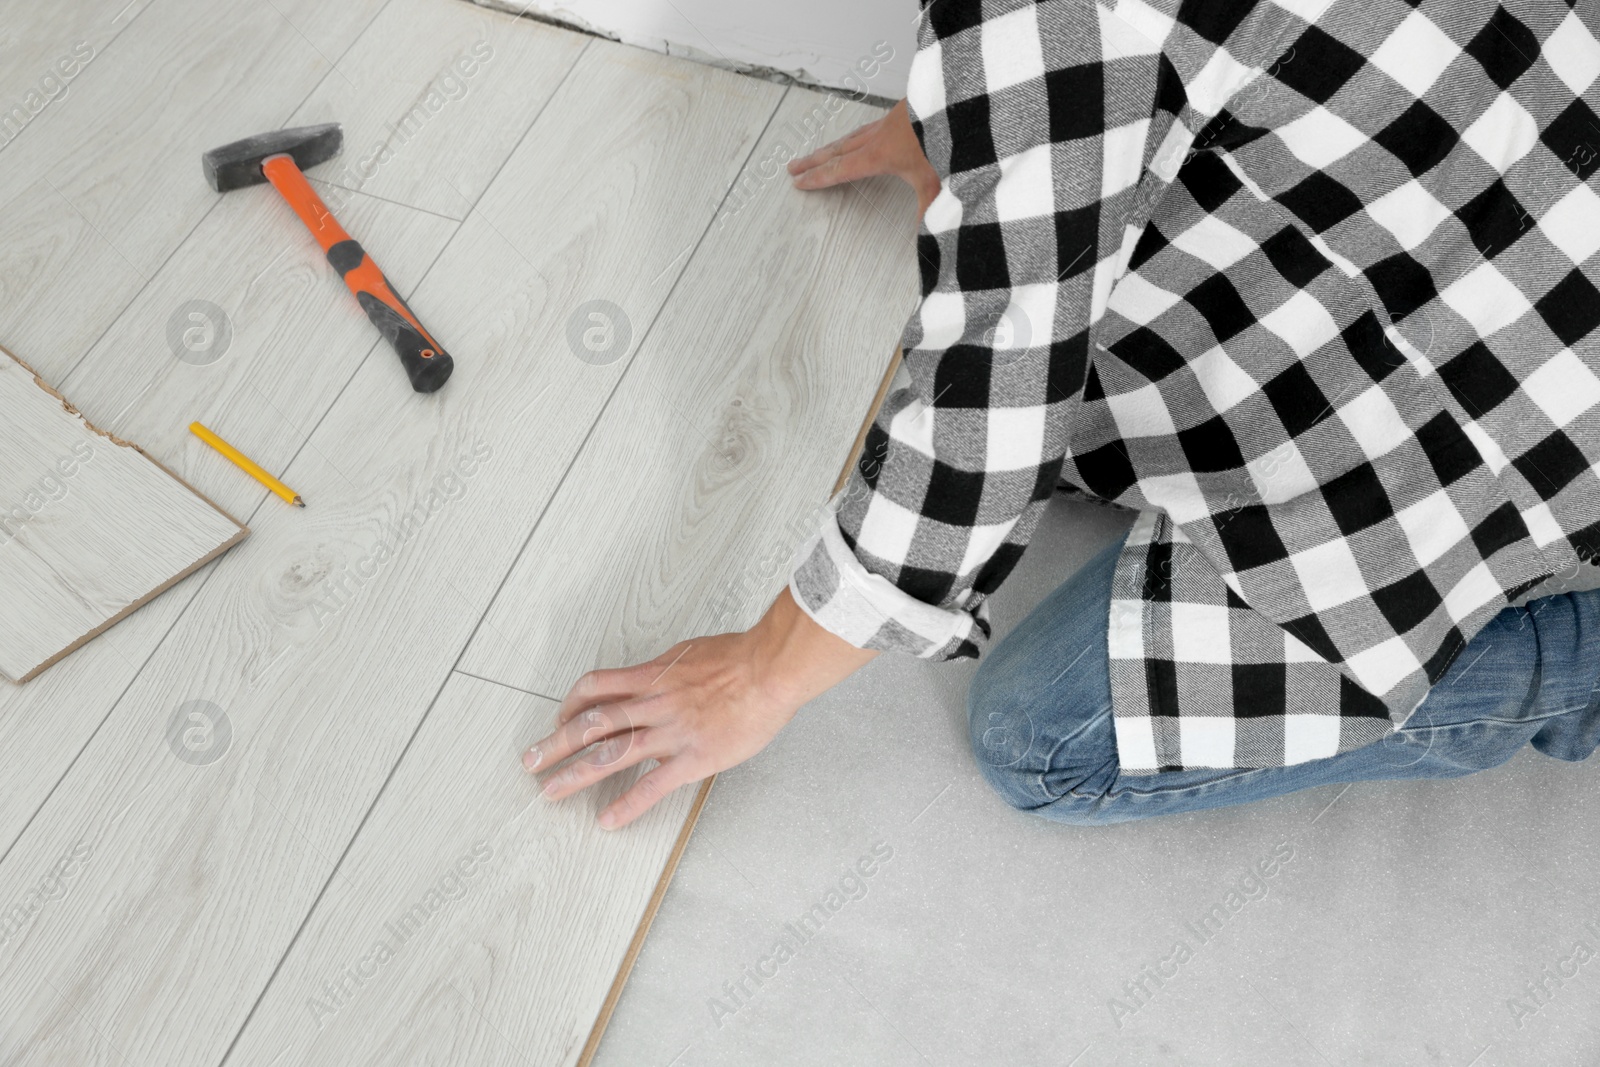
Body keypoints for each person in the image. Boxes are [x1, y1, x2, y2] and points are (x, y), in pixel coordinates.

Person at [522, 0, 1600, 829]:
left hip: (1541, 370)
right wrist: (969, 115)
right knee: (1109, 405)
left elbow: (997, 376)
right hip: (1511, 191)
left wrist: (767, 668)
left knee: (1047, 736)